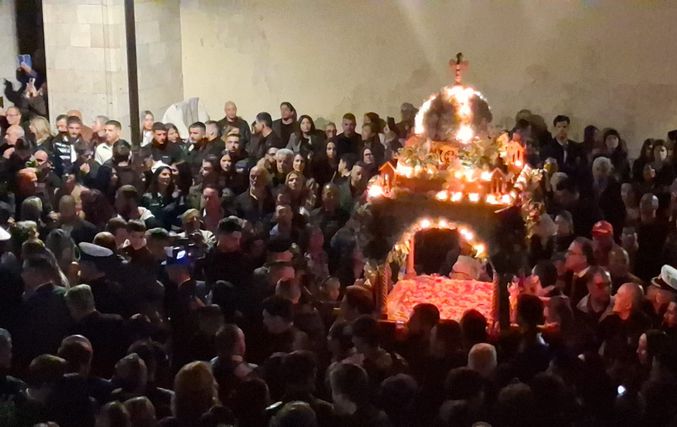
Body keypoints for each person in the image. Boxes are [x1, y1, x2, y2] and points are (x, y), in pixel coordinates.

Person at [12, 254, 73, 373]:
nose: (22, 274)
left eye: (24, 270)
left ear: (35, 272)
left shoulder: (31, 302)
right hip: (61, 357)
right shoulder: (65, 294)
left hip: (38, 361)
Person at [328, 362, 391, 427]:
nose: (332, 397)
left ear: (343, 398)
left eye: (333, 391)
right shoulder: (381, 418)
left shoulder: (352, 423)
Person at [563, 237, 595, 306]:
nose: (566, 256)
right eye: (567, 252)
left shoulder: (593, 279)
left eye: (570, 253)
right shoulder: (569, 274)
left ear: (584, 258)